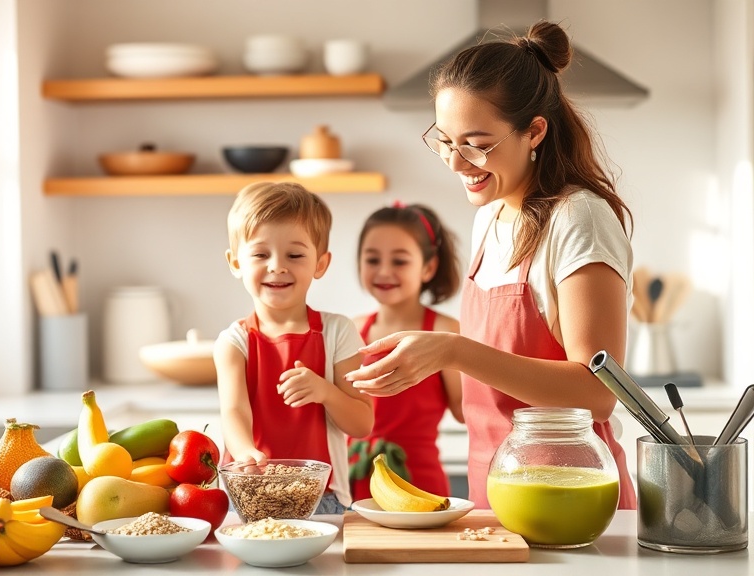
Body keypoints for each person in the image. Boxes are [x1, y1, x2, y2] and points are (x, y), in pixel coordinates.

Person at [345, 20, 637, 510]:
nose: (457, 163)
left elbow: (598, 393)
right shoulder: (490, 218)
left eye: (477, 143)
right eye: (445, 139)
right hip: (496, 494)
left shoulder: (579, 217)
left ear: (534, 131)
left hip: (573, 500)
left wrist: (453, 353)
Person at [215, 181, 374, 514]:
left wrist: (325, 392)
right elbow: (234, 411)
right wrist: (245, 452)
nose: (277, 265)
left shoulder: (338, 332)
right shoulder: (234, 342)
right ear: (235, 263)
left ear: (320, 263)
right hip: (247, 494)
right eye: (260, 254)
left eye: (295, 254)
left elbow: (362, 424)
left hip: (321, 498)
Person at [348, 201, 465, 501]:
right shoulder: (350, 330)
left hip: (419, 483)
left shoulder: (446, 332)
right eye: (372, 260)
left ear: (428, 267)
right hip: (350, 480)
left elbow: (465, 411)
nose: (384, 271)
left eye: (399, 261)